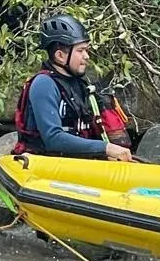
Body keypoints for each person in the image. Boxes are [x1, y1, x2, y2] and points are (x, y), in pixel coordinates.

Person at [13, 13, 133, 161]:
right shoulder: (43, 84)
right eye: (80, 50)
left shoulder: (79, 83)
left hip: (75, 163)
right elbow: (53, 139)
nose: (87, 56)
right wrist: (106, 148)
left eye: (86, 50)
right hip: (45, 165)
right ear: (60, 56)